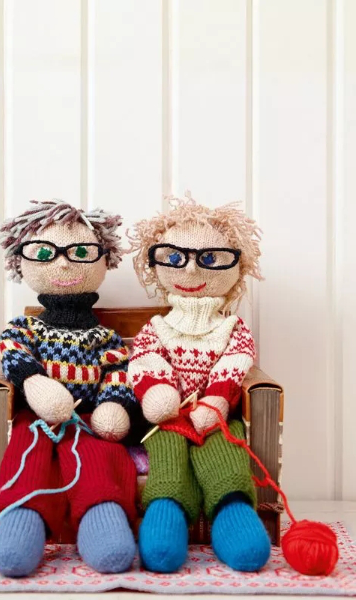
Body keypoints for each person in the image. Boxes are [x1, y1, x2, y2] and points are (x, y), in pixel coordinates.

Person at [0, 200, 138, 576]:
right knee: (28, 450)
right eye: (44, 253)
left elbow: (118, 370)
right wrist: (35, 383)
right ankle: (22, 519)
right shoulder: (26, 327)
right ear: (22, 260)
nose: (63, 264)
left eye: (80, 253)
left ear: (103, 259)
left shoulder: (104, 337)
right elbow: (12, 351)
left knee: (101, 454)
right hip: (37, 415)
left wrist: (112, 404)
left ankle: (102, 515)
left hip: (89, 418)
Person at [128, 193, 271, 573]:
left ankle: (232, 509)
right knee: (167, 455)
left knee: (225, 451)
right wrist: (158, 391)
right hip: (167, 418)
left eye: (209, 259)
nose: (190, 271)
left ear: (237, 265)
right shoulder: (157, 328)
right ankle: (166, 508)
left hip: (217, 417)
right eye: (175, 258)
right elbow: (144, 360)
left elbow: (236, 363)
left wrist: (216, 401)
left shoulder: (232, 328)